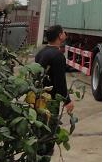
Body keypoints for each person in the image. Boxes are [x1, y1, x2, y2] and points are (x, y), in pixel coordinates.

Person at [35, 25, 74, 158]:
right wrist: (67, 101)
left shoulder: (41, 53)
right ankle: (45, 156)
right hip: (51, 101)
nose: (65, 34)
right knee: (49, 132)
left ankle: (38, 153)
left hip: (38, 98)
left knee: (39, 129)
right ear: (60, 36)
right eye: (63, 32)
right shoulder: (58, 56)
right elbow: (60, 82)